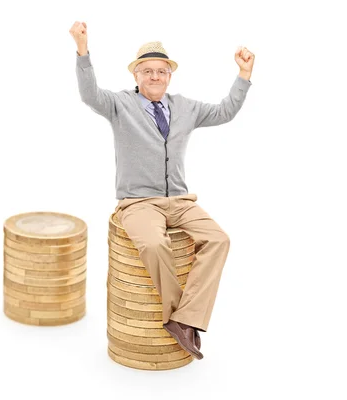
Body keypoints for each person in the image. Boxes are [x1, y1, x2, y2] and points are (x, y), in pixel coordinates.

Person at [69, 21, 254, 360]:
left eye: (161, 71)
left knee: (219, 239)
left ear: (169, 76)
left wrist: (243, 75)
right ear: (136, 76)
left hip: (181, 201)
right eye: (147, 71)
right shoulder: (119, 105)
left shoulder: (185, 107)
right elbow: (89, 94)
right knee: (154, 244)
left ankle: (185, 319)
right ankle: (180, 317)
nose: (155, 77)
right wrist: (83, 49)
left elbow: (225, 111)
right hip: (139, 203)